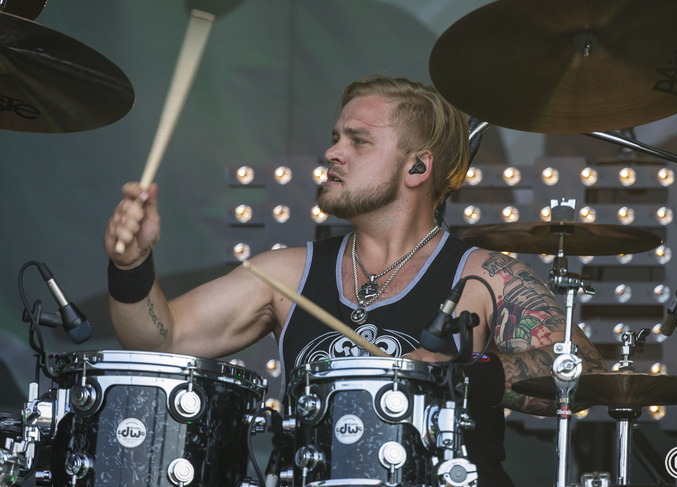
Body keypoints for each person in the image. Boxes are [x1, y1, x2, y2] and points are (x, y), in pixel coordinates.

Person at [104, 75, 606, 486]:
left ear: (417, 167)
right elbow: (157, 339)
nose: (332, 153)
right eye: (335, 138)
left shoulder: (483, 275)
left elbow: (588, 373)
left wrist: (456, 374)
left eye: (358, 141)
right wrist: (132, 265)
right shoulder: (285, 273)